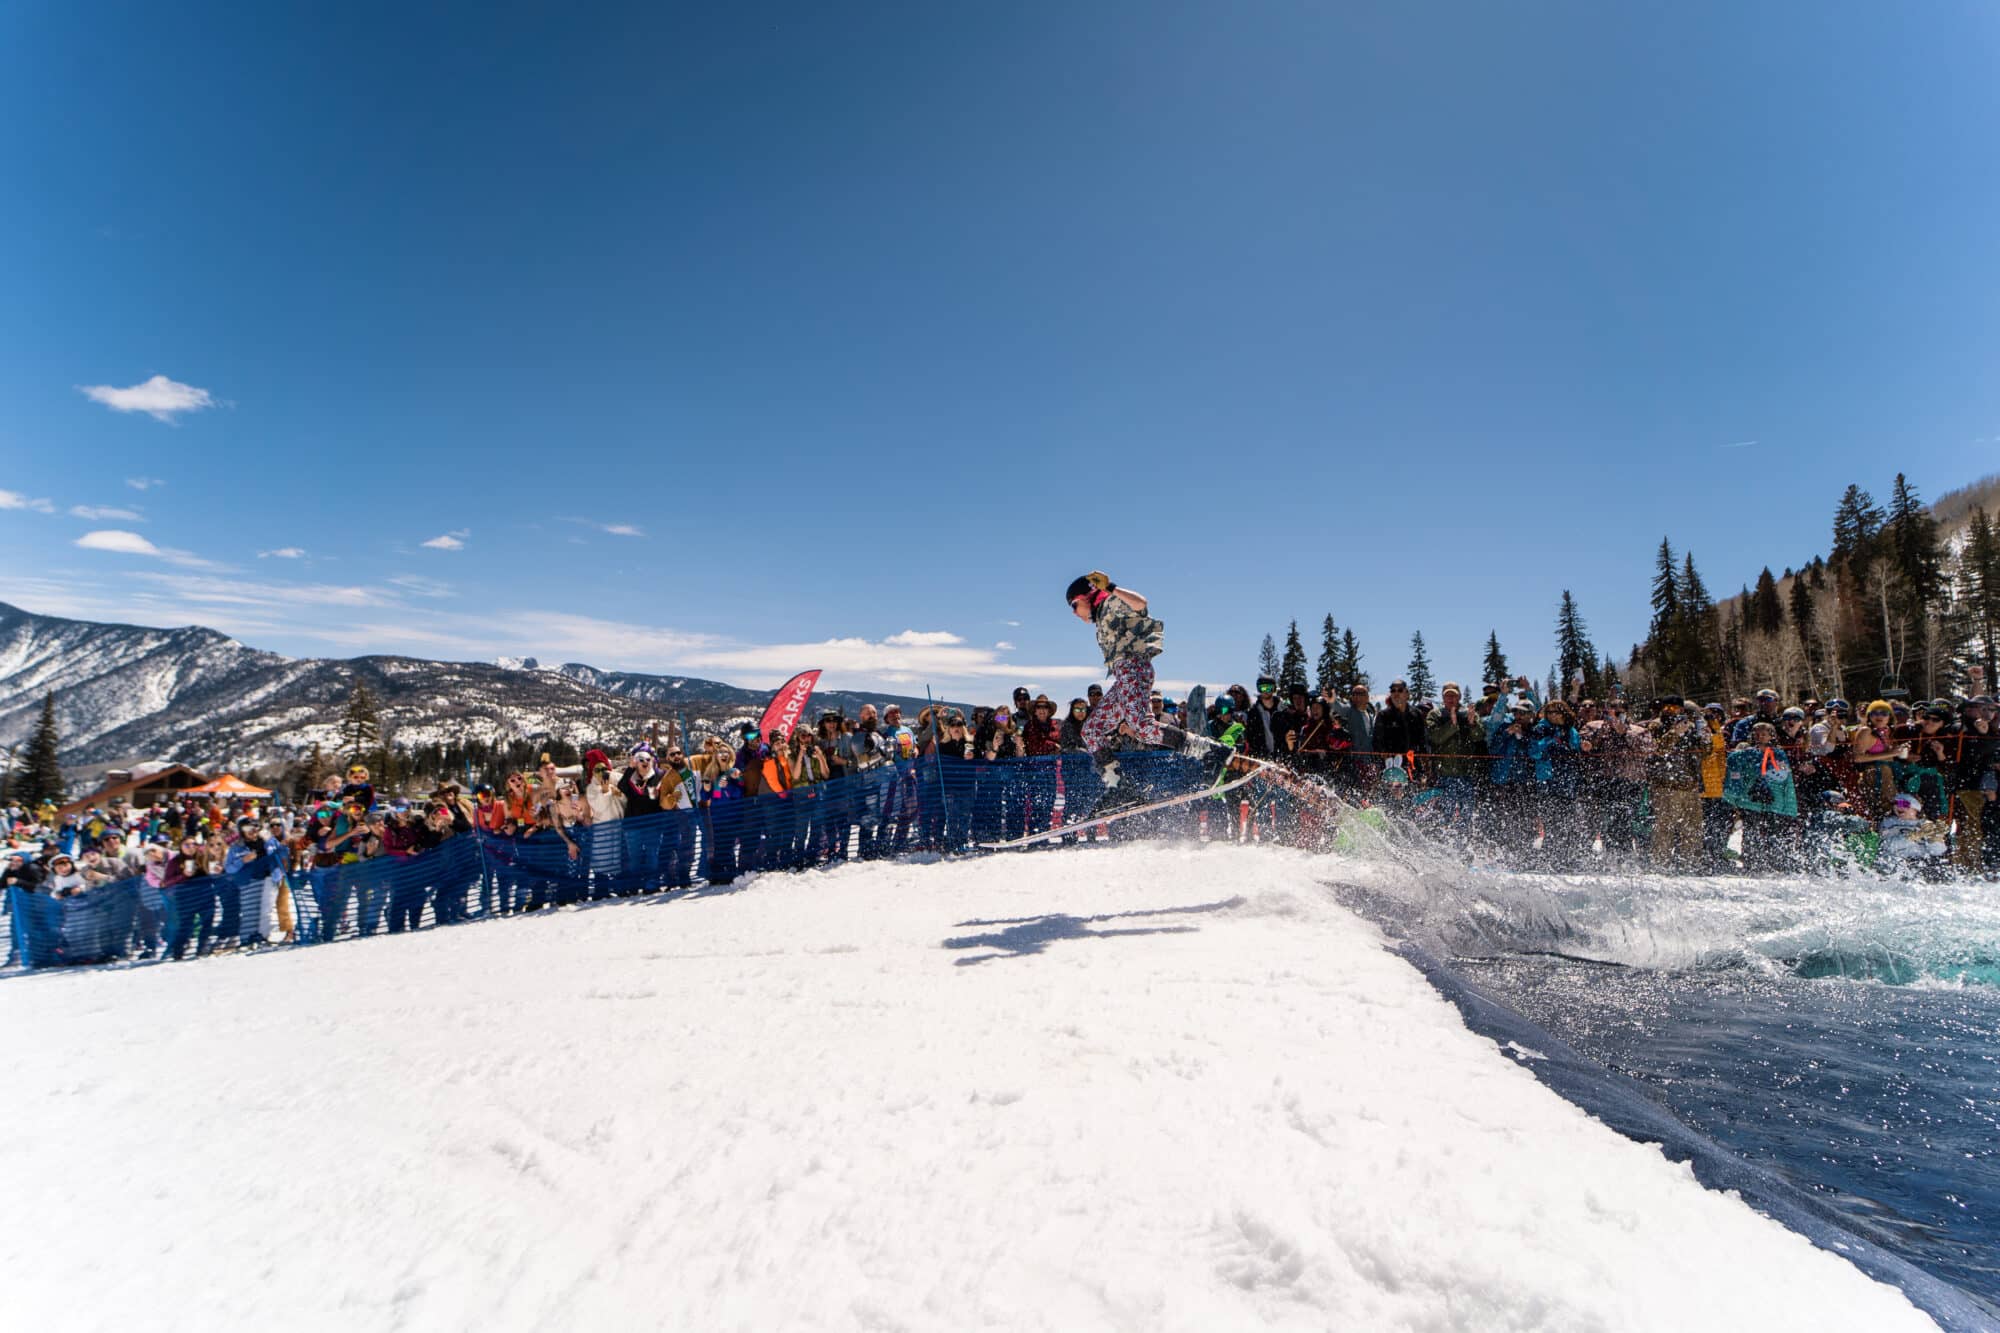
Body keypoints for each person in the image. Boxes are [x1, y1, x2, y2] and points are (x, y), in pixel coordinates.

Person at [1066, 570, 1175, 811]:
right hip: (1124, 675)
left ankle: (1205, 750)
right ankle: (1119, 787)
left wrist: (1111, 587)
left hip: (1134, 668)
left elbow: (1141, 604)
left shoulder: (1109, 603)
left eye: (1074, 605)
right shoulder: (1100, 619)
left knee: (1141, 726)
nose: (1074, 613)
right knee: (1092, 730)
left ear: (1086, 597)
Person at [1726, 720, 1800, 873]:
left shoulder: (1778, 754)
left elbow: (1785, 778)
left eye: (1764, 734)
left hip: (1775, 801)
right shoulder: (1745, 754)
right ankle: (1752, 863)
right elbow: (1737, 771)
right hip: (1751, 800)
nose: (1760, 737)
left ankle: (1774, 863)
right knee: (1751, 832)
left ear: (1770, 736)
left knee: (1775, 832)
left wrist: (1789, 804)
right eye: (1757, 734)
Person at [1645, 698, 1708, 871]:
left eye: (1675, 708)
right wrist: (1675, 733)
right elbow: (1658, 750)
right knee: (1664, 828)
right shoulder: (1656, 726)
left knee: (1692, 828)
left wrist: (1705, 735)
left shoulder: (1692, 727)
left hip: (1690, 785)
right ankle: (1661, 864)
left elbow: (1706, 752)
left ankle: (1690, 864)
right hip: (1665, 786)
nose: (1671, 711)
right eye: (1667, 707)